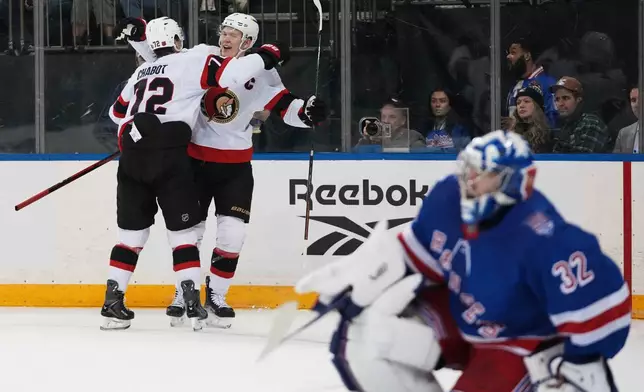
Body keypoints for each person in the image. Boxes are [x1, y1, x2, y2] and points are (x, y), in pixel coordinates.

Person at [294, 130, 630, 391]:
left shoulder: (547, 239)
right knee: (368, 333)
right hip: (462, 316)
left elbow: (602, 318)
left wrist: (578, 363)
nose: (470, 181)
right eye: (469, 170)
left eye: (483, 174)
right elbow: (415, 259)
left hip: (516, 344)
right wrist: (364, 277)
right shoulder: (446, 198)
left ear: (510, 180)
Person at [118, 13, 328, 328]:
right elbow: (162, 63)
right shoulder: (204, 58)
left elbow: (286, 108)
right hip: (195, 161)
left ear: (248, 42)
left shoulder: (264, 75)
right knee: (191, 233)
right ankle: (184, 294)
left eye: (233, 35)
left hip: (236, 167)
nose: (225, 39)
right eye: (224, 32)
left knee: (233, 235)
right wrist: (139, 38)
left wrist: (308, 113)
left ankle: (217, 295)